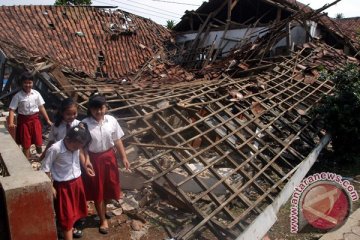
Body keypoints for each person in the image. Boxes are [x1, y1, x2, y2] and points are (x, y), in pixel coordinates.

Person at [82, 93, 130, 235]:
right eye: (95, 108)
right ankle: (102, 219)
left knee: (110, 186)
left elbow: (117, 140)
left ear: (106, 107)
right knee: (98, 191)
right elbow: (82, 146)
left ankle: (105, 209)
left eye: (101, 108)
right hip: (94, 159)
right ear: (90, 109)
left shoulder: (111, 120)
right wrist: (86, 161)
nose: (99, 111)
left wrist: (124, 157)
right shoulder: (84, 124)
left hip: (109, 157)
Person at [41, 123, 94, 240]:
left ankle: (65, 229)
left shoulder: (76, 147)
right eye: (76, 146)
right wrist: (50, 186)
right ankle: (66, 232)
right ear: (68, 138)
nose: (77, 149)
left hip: (77, 182)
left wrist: (86, 167)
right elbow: (45, 168)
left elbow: (79, 157)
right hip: (63, 186)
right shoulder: (55, 149)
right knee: (66, 215)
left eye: (80, 146)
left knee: (75, 211)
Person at [8, 71, 52, 159]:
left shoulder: (36, 94)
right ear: (21, 83)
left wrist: (48, 120)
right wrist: (11, 122)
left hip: (35, 120)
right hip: (23, 122)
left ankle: (39, 151)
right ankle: (26, 160)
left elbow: (41, 107)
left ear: (33, 83)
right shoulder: (17, 96)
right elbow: (12, 110)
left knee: (38, 140)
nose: (28, 85)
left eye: (30, 82)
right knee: (26, 143)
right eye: (25, 83)